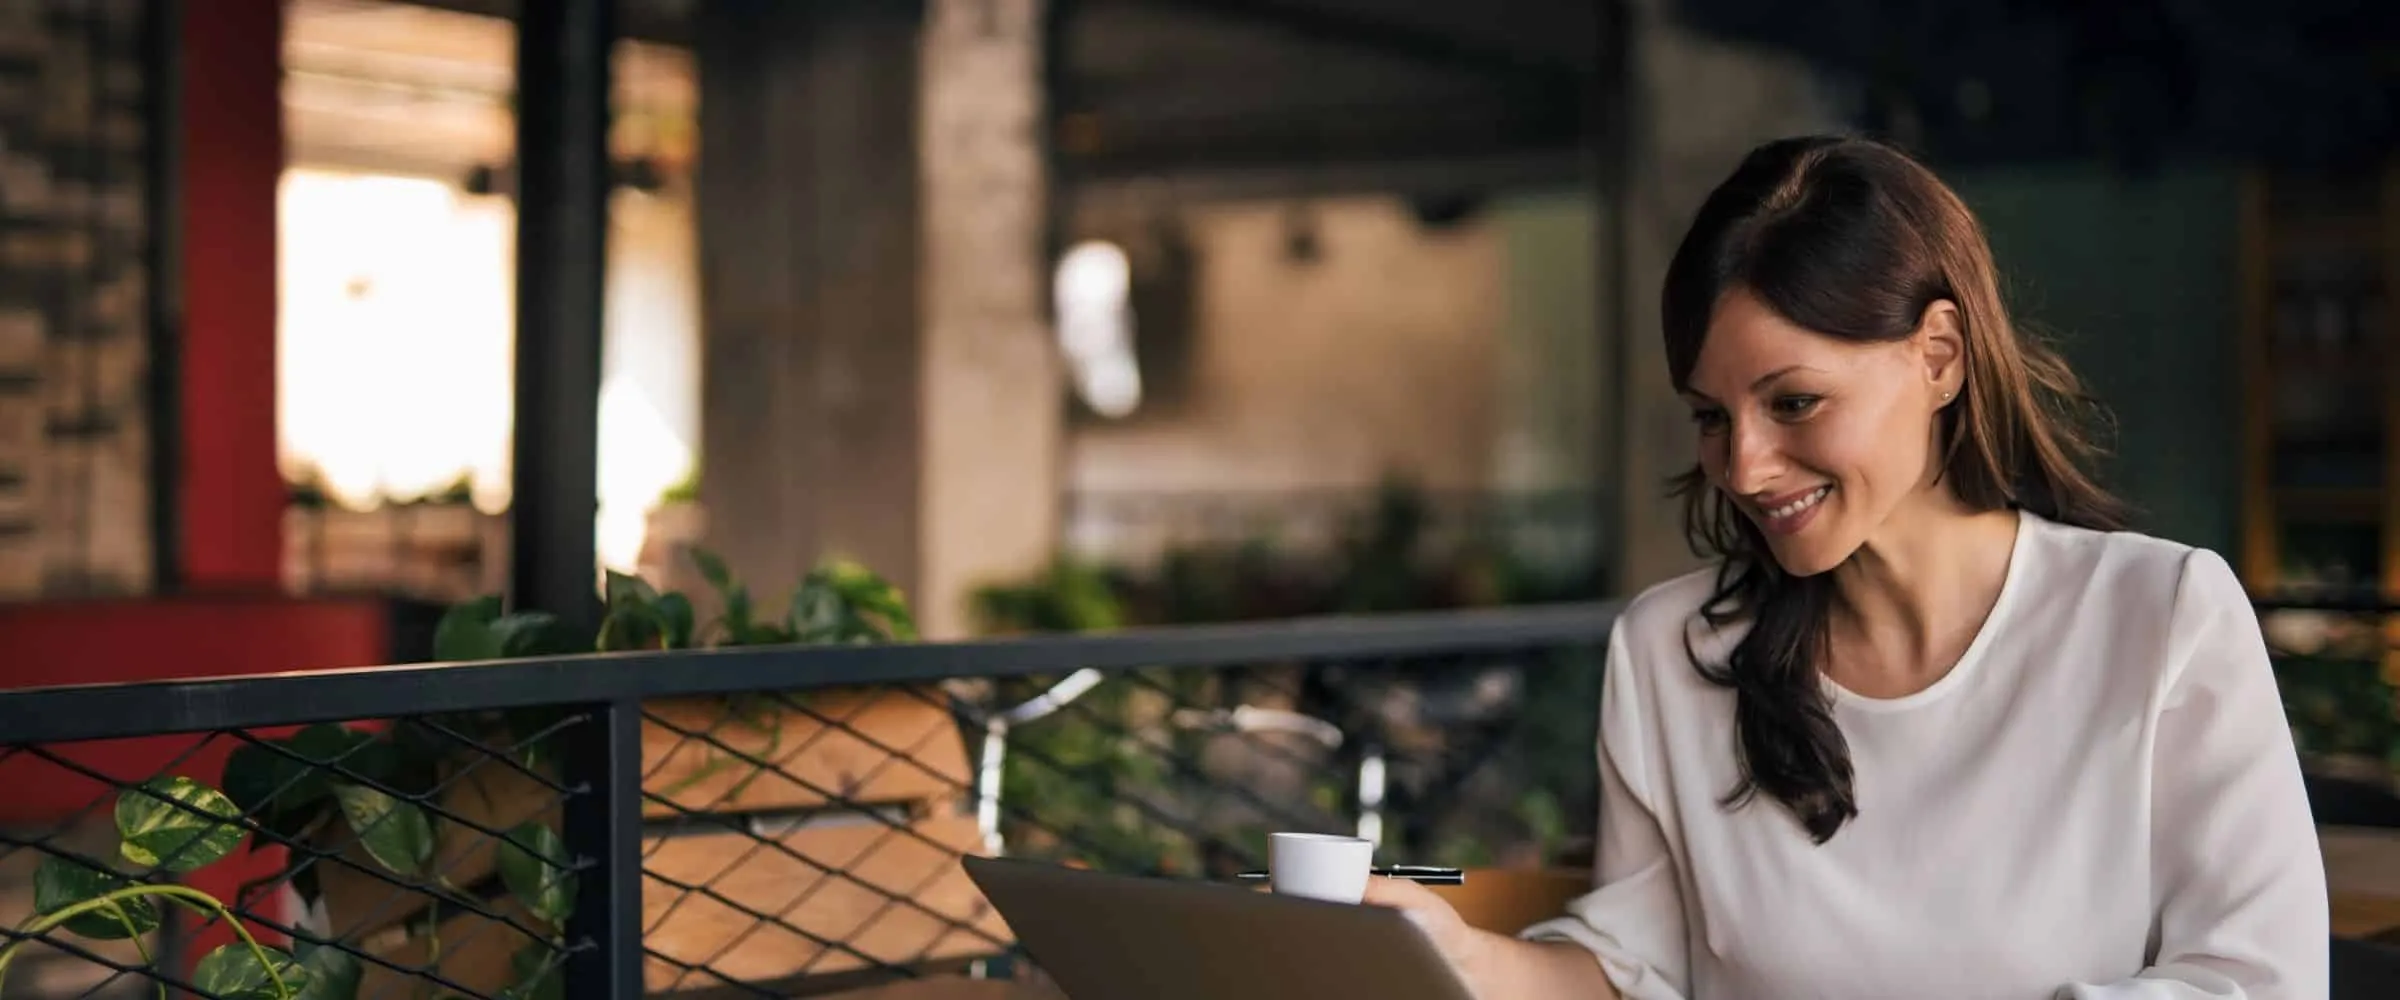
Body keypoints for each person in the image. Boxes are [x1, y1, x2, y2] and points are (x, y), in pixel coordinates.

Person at [1360, 135, 2329, 998]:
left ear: (1939, 355)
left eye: (1793, 403)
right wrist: (1459, 958)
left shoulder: (2160, 615)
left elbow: (2259, 978)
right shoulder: (1671, 650)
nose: (1742, 465)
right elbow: (1632, 970)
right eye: (1710, 416)